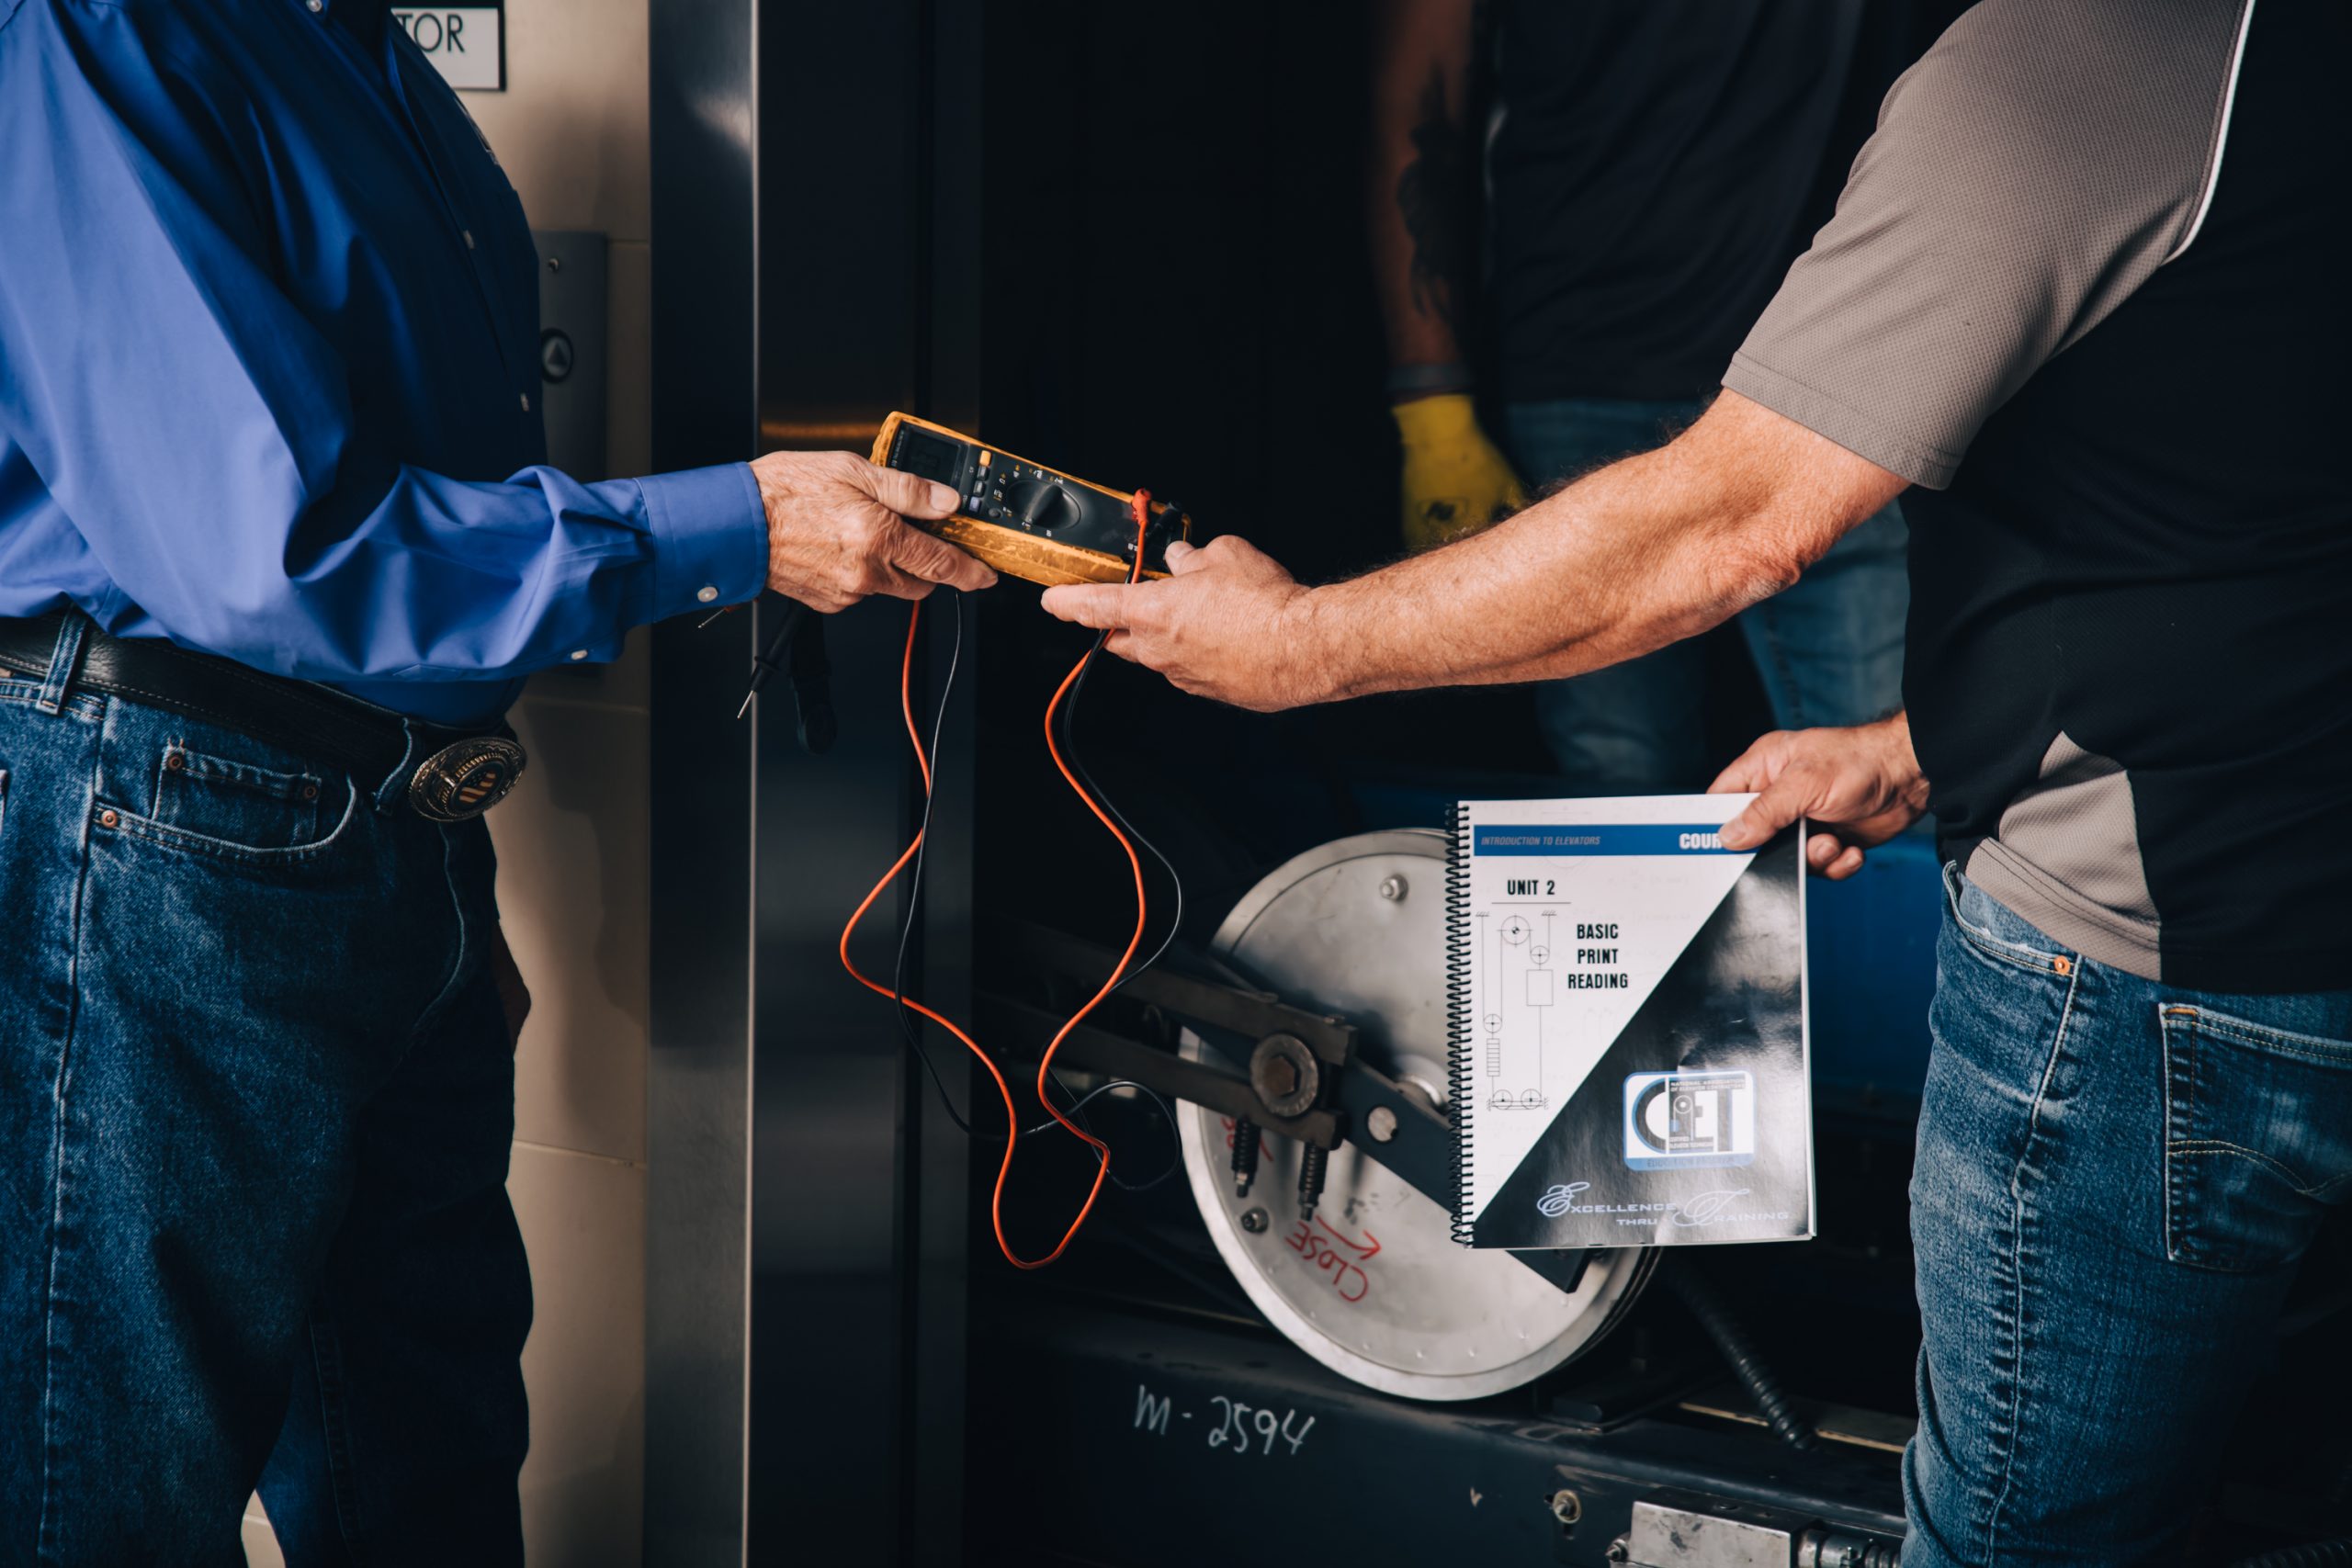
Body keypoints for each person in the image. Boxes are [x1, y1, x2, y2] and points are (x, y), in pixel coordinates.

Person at [1046, 1, 2350, 1560]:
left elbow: (1732, 523)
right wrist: (1919, 748)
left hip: (2151, 992)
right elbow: (2248, 508)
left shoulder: (2080, 57)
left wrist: (1295, 645)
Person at [0, 0, 992, 1558]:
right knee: (105, 1489)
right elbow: (278, 555)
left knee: (427, 1467)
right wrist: (732, 524)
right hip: (168, 828)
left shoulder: (344, 39)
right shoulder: (96, 34)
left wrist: (412, 892)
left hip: (381, 834)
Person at [1367, 0, 1911, 792]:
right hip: (1585, 370)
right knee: (1615, 797)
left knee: (1879, 796)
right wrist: (1431, 411)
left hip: (1831, 380)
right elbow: (1418, 95)